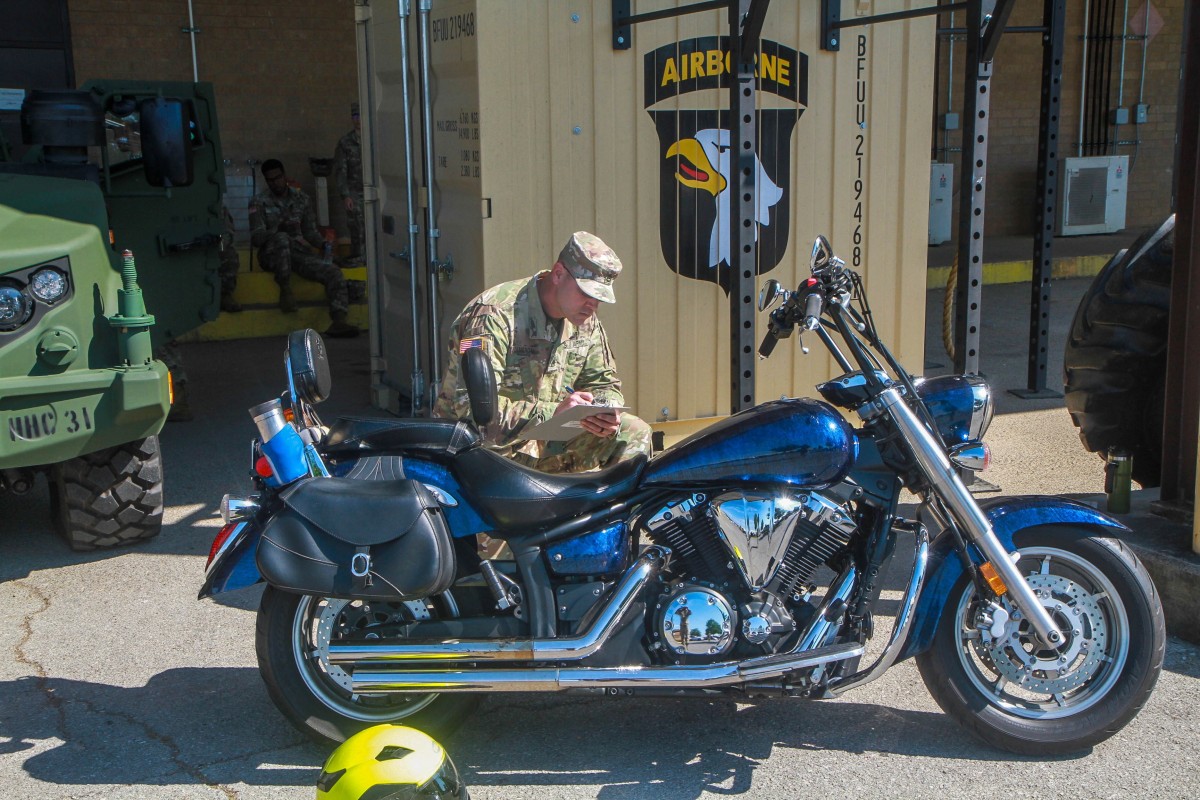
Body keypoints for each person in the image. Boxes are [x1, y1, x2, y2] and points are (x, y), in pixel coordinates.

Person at [433, 231, 652, 474]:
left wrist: (604, 411)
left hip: (542, 442)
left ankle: (616, 512)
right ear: (558, 274)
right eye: (586, 293)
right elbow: (473, 413)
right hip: (483, 450)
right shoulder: (492, 315)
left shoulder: (584, 319)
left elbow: (604, 382)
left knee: (633, 434)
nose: (592, 305)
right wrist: (554, 414)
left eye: (599, 298)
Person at [248, 158, 359, 338]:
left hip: (297, 253)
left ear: (284, 176)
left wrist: (323, 244)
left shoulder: (301, 198)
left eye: (278, 177)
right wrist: (276, 231)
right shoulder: (258, 202)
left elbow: (310, 232)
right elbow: (257, 238)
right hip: (272, 255)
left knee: (332, 271)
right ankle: (285, 290)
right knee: (283, 238)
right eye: (271, 180)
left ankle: (339, 320)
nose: (275, 182)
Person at [333, 102, 364, 265]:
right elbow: (341, 171)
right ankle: (359, 256)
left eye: (360, 116)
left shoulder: (373, 139)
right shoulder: (346, 142)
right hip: (354, 191)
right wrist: (345, 195)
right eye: (355, 116)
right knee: (356, 225)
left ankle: (372, 258)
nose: (358, 120)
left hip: (372, 190)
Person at [218, 204, 242, 313]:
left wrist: (219, 245)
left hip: (211, 247)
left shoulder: (217, 206)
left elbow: (228, 233)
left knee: (229, 254)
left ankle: (225, 295)